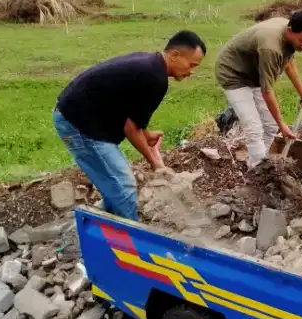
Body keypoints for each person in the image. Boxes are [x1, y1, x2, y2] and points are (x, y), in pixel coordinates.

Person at [53, 30, 206, 220]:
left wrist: (146, 134)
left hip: (85, 119)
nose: (192, 71)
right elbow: (131, 129)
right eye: (191, 64)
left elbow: (130, 116)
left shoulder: (151, 65)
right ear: (175, 55)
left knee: (114, 183)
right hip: (77, 124)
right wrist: (156, 164)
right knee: (124, 185)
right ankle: (130, 243)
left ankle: (101, 228)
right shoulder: (154, 77)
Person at [215, 9, 302, 167]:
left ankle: (258, 163)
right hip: (233, 73)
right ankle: (259, 172)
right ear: (290, 30)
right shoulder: (271, 47)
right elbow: (267, 91)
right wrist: (283, 125)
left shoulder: (288, 32)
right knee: (254, 127)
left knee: (270, 125)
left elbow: (288, 61)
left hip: (253, 71)